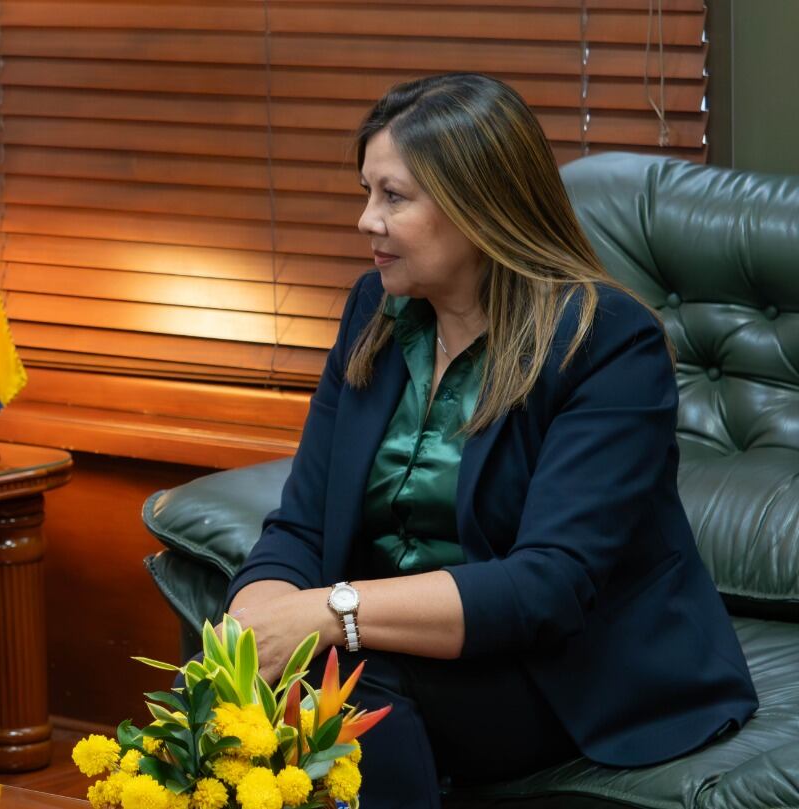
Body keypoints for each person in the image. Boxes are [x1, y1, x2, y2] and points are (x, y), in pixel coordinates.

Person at [225, 73, 756, 808]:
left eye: (394, 197)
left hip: (564, 667)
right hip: (393, 636)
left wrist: (329, 612)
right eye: (366, 192)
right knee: (225, 672)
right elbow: (302, 522)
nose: (365, 221)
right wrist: (252, 624)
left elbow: (548, 586)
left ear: (479, 207)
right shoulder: (375, 311)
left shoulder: (606, 341)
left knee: (351, 688)